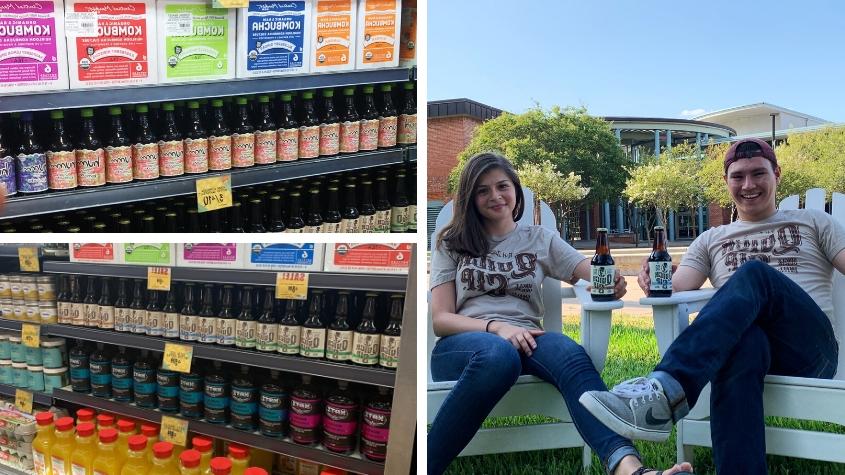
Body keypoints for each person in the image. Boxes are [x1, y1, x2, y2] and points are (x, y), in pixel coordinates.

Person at [580, 138, 844, 474]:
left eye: (758, 173)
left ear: (776, 174)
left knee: (755, 274)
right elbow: (677, 285)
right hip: (753, 351)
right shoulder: (711, 239)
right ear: (726, 182)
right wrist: (653, 277)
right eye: (738, 176)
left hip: (810, 351)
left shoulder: (814, 221)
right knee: (743, 343)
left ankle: (666, 391)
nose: (748, 185)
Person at [428, 152, 693, 475]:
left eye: (502, 186)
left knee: (571, 355)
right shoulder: (451, 243)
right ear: (470, 197)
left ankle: (631, 469)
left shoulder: (540, 239)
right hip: (465, 346)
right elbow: (441, 319)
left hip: (529, 340)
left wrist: (616, 282)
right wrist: (496, 328)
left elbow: (595, 272)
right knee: (500, 355)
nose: (495, 196)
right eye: (483, 190)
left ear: (516, 190)